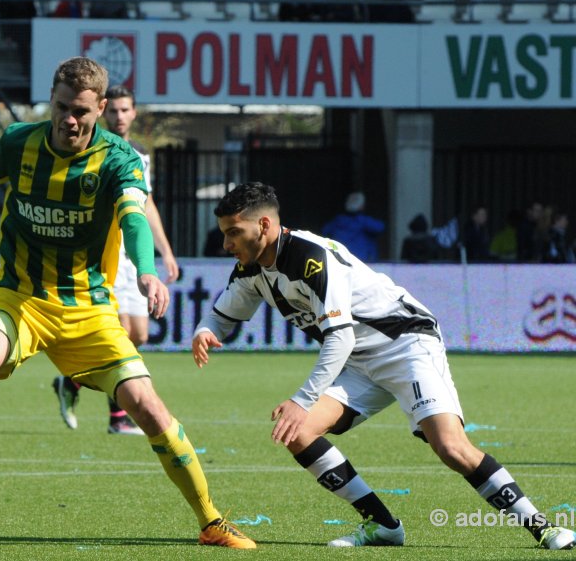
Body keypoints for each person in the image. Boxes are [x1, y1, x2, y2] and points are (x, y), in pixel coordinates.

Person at [0, 57, 255, 549]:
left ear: (101, 108)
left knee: (148, 408)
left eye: (81, 111)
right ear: (51, 100)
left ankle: (211, 520)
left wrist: (146, 271)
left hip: (88, 311)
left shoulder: (119, 159)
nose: (69, 119)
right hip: (20, 297)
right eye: (61, 107)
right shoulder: (21, 142)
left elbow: (132, 217)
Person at [191, 182, 574, 550]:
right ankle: (383, 525)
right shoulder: (251, 268)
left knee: (451, 447)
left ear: (264, 225)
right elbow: (223, 315)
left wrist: (302, 398)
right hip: (359, 360)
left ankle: (542, 526)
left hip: (405, 343)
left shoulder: (311, 256)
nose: (226, 244)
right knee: (298, 432)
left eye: (233, 233)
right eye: (224, 233)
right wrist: (205, 330)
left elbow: (340, 336)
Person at [51, 84, 179, 436]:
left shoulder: (137, 154)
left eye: (126, 110)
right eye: (114, 111)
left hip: (132, 254)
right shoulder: (93, 148)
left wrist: (164, 250)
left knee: (139, 334)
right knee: (118, 333)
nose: (119, 117)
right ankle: (118, 418)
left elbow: (144, 202)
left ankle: (72, 383)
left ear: (134, 113)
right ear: (103, 112)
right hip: (104, 253)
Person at [321, 191, 384, 262]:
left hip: (340, 260)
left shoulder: (337, 221)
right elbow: (380, 228)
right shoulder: (364, 221)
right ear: (362, 206)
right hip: (362, 262)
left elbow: (324, 231)